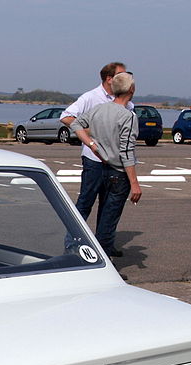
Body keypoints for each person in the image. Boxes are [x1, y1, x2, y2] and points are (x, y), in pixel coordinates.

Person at [61, 62, 132, 256]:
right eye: (122, 74)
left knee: (108, 206)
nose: (127, 78)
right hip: (94, 160)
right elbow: (66, 117)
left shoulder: (126, 102)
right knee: (85, 202)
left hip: (114, 162)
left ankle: (104, 245)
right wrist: (92, 135)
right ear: (109, 79)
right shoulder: (91, 97)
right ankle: (72, 244)